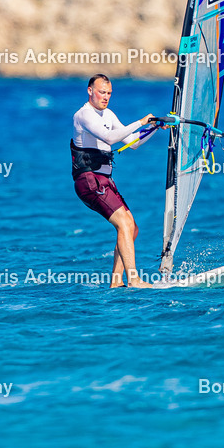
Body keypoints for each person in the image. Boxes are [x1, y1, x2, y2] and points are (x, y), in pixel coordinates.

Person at [71, 74, 157, 289]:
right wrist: (140, 122)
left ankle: (116, 281)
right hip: (89, 181)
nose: (106, 97)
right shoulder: (83, 115)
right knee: (124, 224)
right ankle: (134, 280)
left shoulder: (108, 114)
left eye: (109, 93)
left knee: (132, 228)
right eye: (102, 92)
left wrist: (154, 127)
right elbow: (110, 138)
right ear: (90, 90)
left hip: (104, 181)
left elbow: (132, 142)